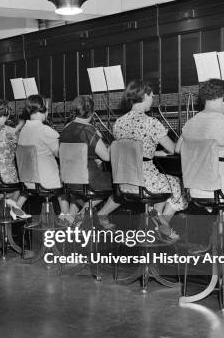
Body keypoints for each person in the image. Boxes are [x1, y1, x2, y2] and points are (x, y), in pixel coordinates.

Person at [113, 80, 187, 241]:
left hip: (125, 183)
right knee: (179, 185)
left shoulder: (118, 123)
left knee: (162, 183)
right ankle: (161, 226)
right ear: (144, 95)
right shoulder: (151, 123)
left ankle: (155, 221)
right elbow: (173, 149)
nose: (153, 99)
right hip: (145, 182)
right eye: (151, 96)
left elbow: (133, 149)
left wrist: (155, 153)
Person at [59, 96, 119, 229]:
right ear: (92, 112)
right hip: (89, 181)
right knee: (121, 183)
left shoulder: (65, 128)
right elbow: (107, 157)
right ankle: (81, 216)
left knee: (79, 190)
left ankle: (72, 217)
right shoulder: (89, 130)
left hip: (68, 181)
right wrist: (113, 145)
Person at [17, 95, 67, 219]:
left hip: (28, 181)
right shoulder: (45, 130)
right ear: (43, 110)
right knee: (67, 180)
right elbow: (61, 155)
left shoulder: (23, 130)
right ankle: (66, 215)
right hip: (46, 182)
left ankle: (17, 206)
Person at [0, 99, 29, 219]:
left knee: (5, 196)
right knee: (27, 184)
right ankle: (12, 209)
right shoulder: (9, 130)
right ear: (7, 112)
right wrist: (21, 124)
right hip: (6, 176)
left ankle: (7, 209)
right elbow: (22, 144)